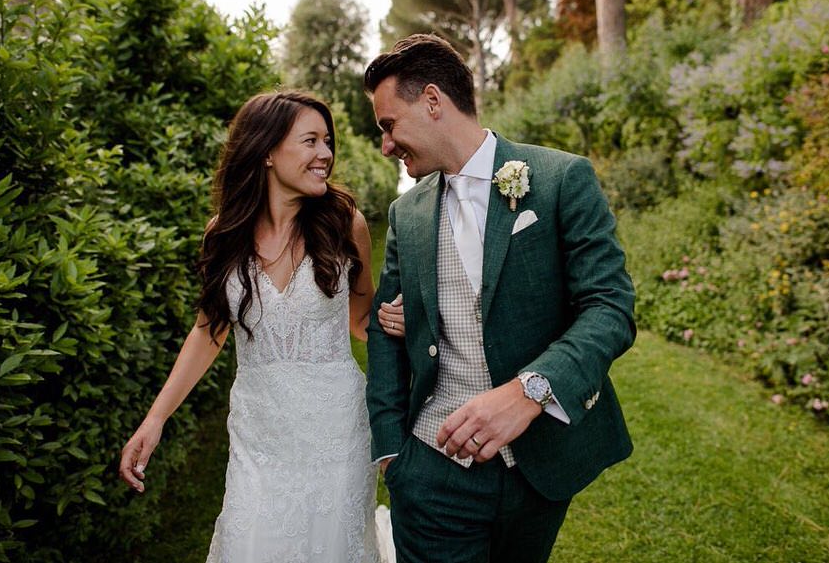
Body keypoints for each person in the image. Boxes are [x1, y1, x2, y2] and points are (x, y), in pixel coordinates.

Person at [366, 34, 637, 562]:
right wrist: (392, 451)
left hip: (539, 471)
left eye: (388, 124)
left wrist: (530, 391)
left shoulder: (561, 179)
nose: (386, 145)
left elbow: (610, 307)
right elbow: (384, 326)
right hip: (431, 472)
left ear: (432, 101)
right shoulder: (407, 214)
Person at [119, 91, 404, 563]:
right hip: (259, 434)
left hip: (337, 431)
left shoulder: (344, 224)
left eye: (327, 142)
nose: (326, 154)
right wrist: (155, 418)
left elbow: (361, 320)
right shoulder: (223, 234)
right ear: (267, 151)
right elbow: (208, 332)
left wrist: (392, 321)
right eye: (310, 141)